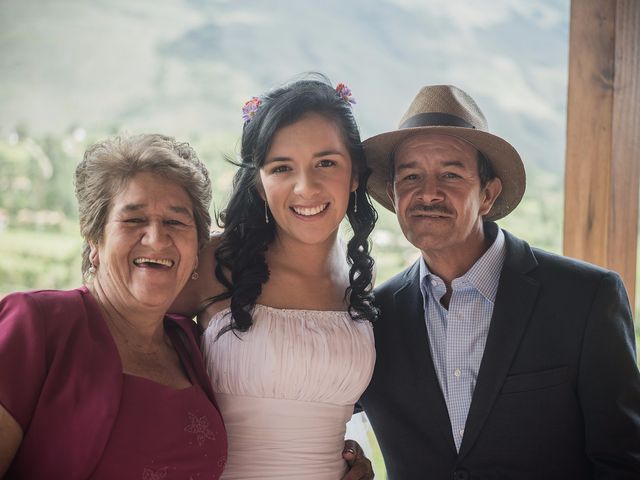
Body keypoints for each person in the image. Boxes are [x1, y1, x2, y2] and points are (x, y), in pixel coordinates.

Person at [358, 85, 640, 479]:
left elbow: (623, 461)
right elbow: (309, 402)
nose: (429, 193)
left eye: (451, 174)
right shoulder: (374, 315)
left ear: (488, 194)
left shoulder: (587, 298)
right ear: (393, 193)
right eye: (411, 176)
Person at [173, 76, 378, 479]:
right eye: (282, 167)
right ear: (259, 183)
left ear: (354, 174)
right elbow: (120, 339)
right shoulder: (213, 261)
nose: (306, 187)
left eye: (326, 163)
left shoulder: (360, 282)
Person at [0, 134, 228, 479]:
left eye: (175, 222)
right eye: (134, 220)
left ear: (197, 250)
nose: (155, 238)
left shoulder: (192, 342)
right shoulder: (36, 326)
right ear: (95, 240)